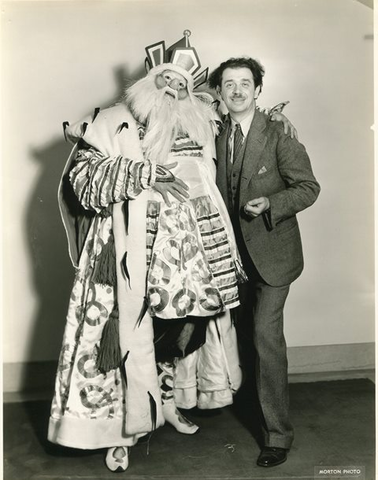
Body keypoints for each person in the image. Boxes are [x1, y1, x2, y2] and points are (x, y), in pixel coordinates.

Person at [48, 32, 296, 473]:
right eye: (164, 81)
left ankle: (163, 400)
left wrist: (274, 121)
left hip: (194, 256)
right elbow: (82, 179)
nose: (173, 90)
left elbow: (239, 137)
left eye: (181, 85)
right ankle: (121, 432)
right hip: (131, 253)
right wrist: (144, 173)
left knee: (189, 327)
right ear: (147, 84)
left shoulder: (201, 126)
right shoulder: (114, 119)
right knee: (126, 334)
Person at [208, 57, 320, 468]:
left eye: (245, 83)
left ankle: (277, 436)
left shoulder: (279, 135)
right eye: (228, 84)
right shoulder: (212, 134)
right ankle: (238, 404)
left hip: (274, 257)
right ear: (218, 92)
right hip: (230, 258)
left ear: (258, 90)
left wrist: (271, 203)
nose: (237, 90)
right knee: (236, 336)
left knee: (264, 336)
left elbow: (308, 188)